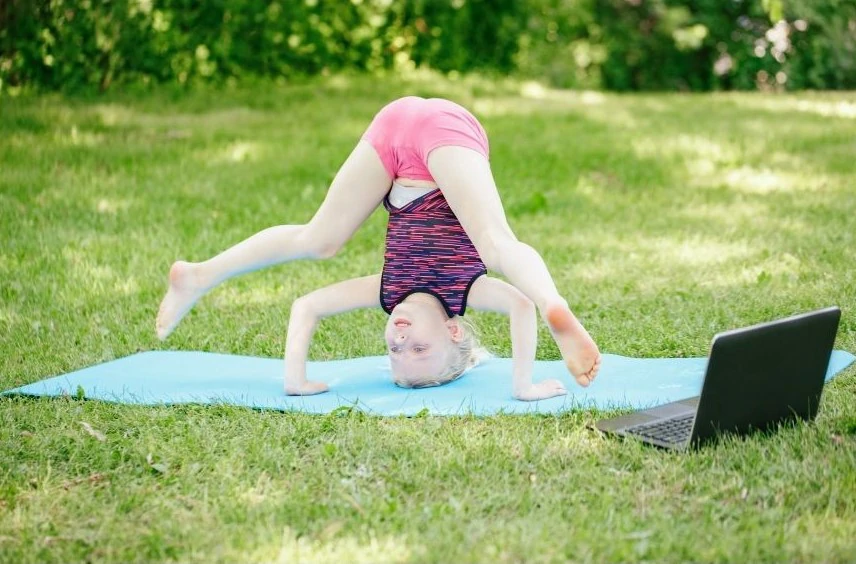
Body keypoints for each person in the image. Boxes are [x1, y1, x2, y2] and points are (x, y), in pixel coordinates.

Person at [156, 96, 601, 401]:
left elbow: (307, 306)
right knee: (496, 245)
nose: (401, 340)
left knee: (319, 239)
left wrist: (295, 380)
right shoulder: (465, 292)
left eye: (394, 351)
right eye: (418, 350)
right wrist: (522, 383)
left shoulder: (387, 291)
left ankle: (200, 274)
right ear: (453, 332)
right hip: (446, 133)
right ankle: (555, 302)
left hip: (393, 129)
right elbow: (519, 307)